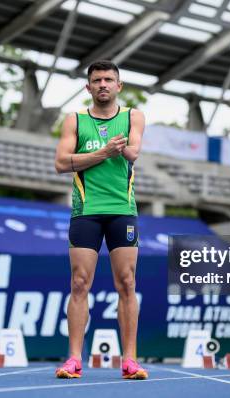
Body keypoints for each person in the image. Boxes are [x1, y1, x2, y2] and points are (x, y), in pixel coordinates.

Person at [54, 60, 147, 380]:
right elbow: (61, 163)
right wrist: (104, 153)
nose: (103, 84)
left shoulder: (132, 116)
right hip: (86, 211)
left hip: (123, 209)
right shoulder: (75, 120)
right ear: (88, 87)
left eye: (109, 79)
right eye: (97, 80)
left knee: (127, 283)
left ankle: (130, 360)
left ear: (119, 86)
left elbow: (133, 153)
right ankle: (74, 360)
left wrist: (118, 150)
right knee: (79, 283)